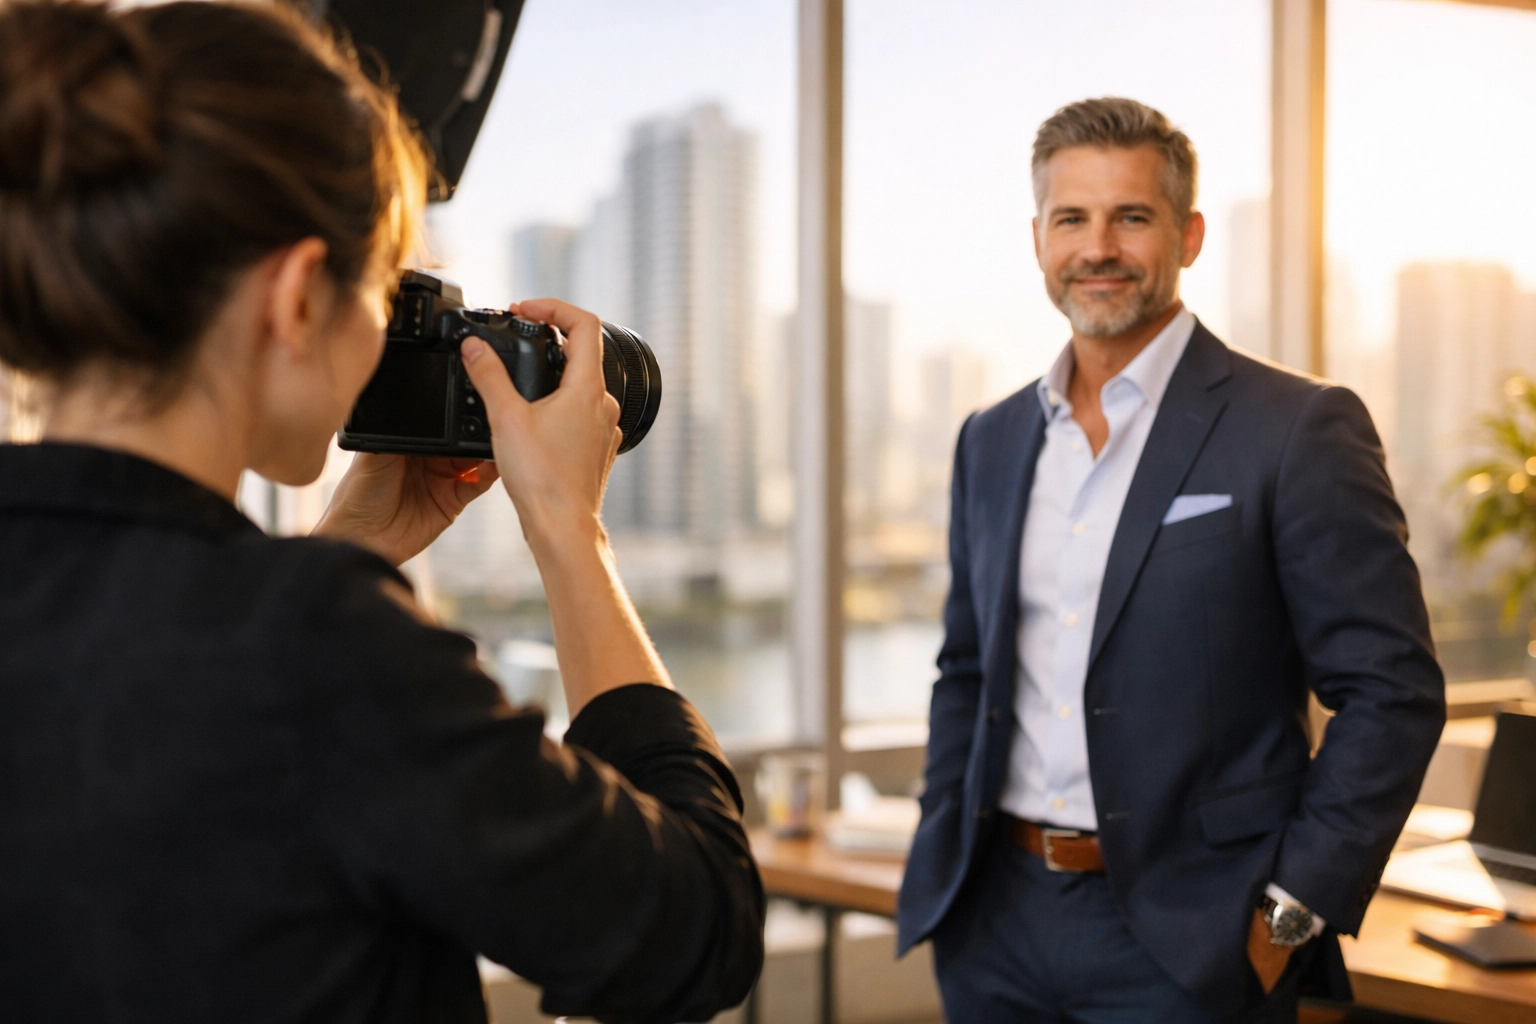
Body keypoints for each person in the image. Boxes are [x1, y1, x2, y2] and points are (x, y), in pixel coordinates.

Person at [0, 3, 762, 1022]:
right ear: (297, 295)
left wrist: (347, 552)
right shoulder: (316, 645)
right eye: (387, 294)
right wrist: (568, 531)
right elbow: (698, 929)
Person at [896, 97, 1446, 1023]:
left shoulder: (1297, 428)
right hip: (995, 923)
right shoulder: (987, 440)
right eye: (1072, 218)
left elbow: (1391, 691)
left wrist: (1290, 915)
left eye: (1132, 217)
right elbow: (967, 668)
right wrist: (942, 832)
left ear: (1188, 236)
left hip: (1193, 941)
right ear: (1038, 240)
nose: (1098, 246)